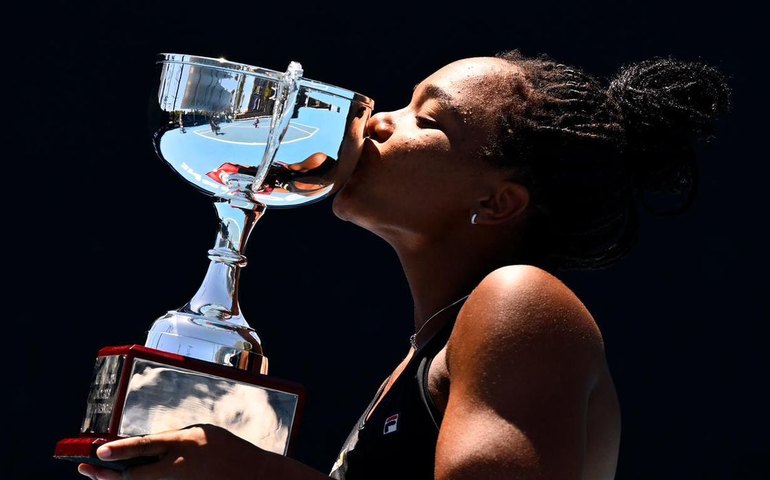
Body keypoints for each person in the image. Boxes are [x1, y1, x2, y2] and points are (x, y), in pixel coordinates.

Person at [77, 48, 730, 480]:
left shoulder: (521, 302)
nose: (377, 121)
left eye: (427, 116)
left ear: (496, 201)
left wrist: (255, 474)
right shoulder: (429, 350)